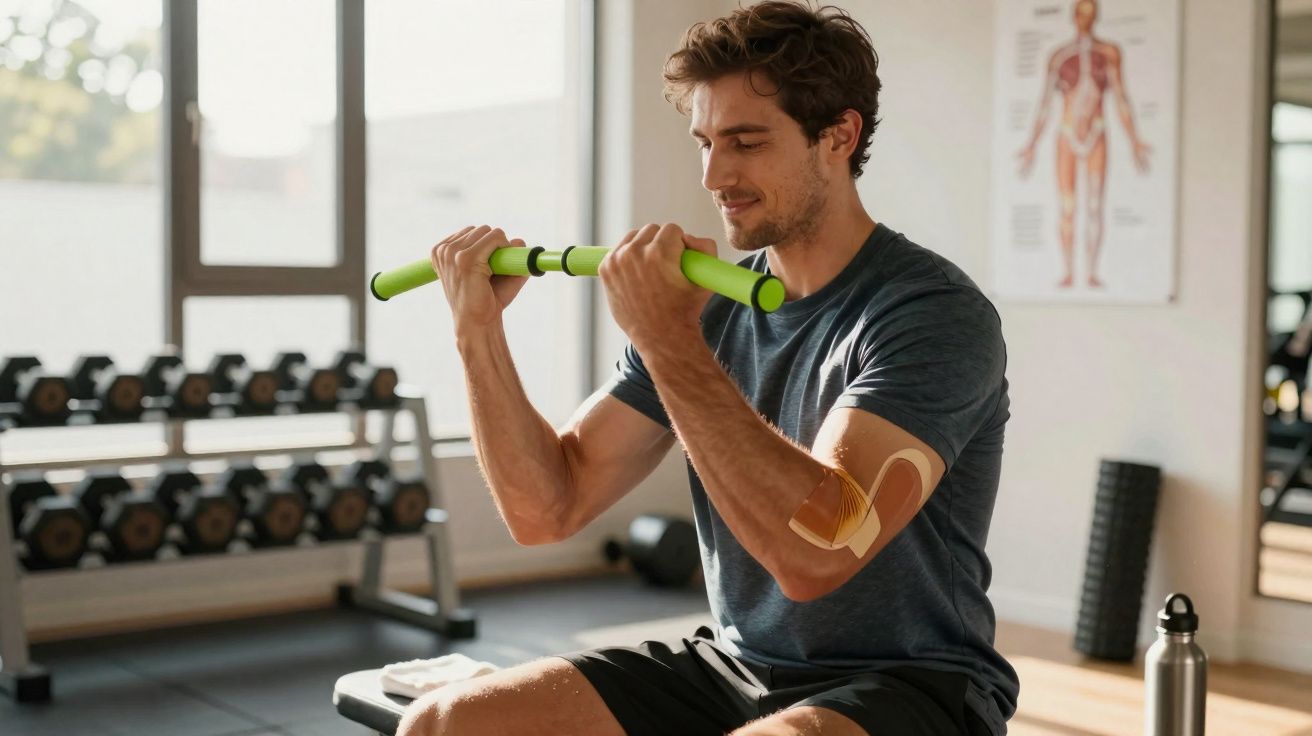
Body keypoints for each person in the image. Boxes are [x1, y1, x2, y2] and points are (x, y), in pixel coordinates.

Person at [397, 2, 1018, 734]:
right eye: (705, 142)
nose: (715, 174)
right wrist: (479, 332)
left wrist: (667, 342)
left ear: (838, 137)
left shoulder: (931, 314)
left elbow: (814, 558)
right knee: (443, 724)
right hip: (736, 663)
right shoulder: (710, 311)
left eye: (746, 142)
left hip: (915, 682)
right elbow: (546, 508)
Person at [1017, 0, 1152, 289]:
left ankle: (1090, 271)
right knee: (1067, 207)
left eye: (1090, 15)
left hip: (1096, 132)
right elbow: (1043, 104)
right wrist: (1031, 144)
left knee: (1093, 205)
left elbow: (1121, 97)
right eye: (1080, 14)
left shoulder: (1109, 53)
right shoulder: (1059, 56)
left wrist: (1135, 140)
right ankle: (1068, 270)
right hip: (1067, 134)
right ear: (1074, 17)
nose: (1084, 20)